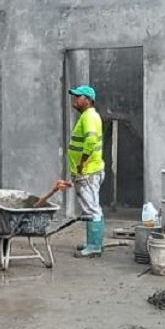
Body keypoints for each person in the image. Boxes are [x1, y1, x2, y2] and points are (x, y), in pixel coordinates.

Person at [66, 85, 106, 257]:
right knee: (93, 207)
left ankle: (94, 246)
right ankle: (94, 242)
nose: (75, 99)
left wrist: (81, 165)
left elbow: (89, 143)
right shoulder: (89, 116)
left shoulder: (89, 117)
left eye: (78, 97)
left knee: (92, 209)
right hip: (91, 170)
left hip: (88, 172)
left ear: (88, 100)